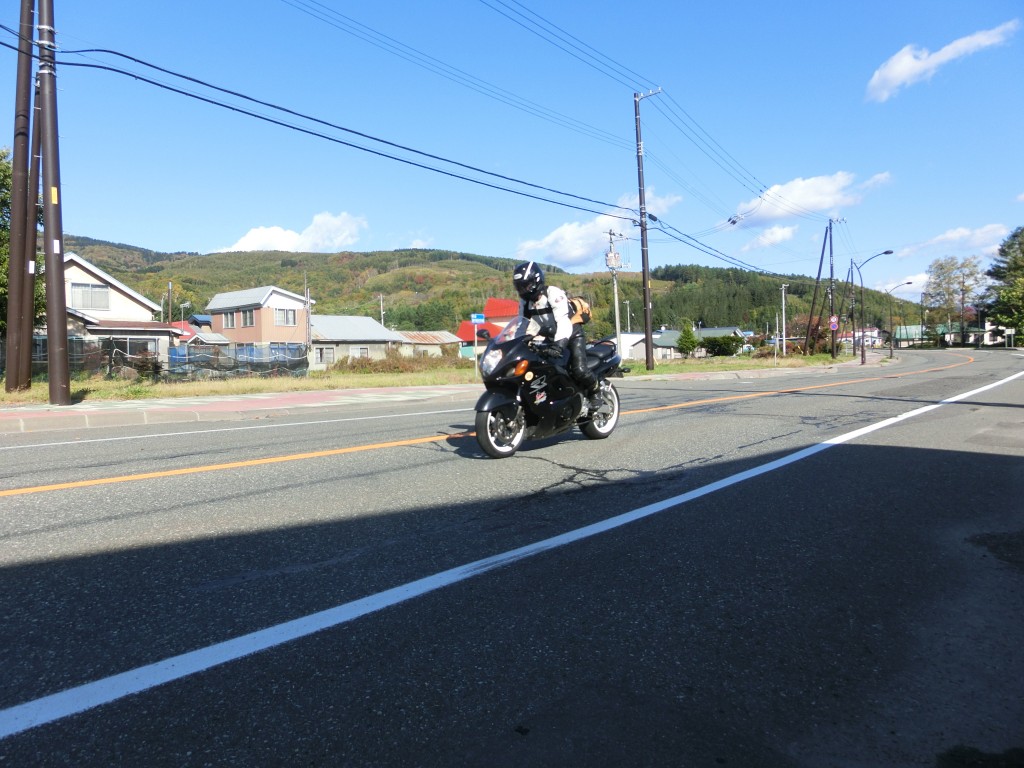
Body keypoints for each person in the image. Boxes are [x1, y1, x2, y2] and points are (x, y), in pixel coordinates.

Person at [512, 261, 604, 408]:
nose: (523, 290)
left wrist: (559, 345)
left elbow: (563, 321)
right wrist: (515, 345)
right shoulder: (525, 302)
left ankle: (595, 391)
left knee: (579, 369)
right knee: (541, 370)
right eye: (520, 286)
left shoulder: (553, 294)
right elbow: (521, 326)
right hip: (550, 337)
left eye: (526, 285)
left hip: (572, 335)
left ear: (536, 281)